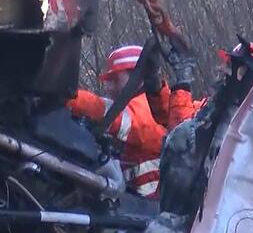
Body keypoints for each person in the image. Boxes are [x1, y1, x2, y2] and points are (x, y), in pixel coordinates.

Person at [68, 44, 192, 198]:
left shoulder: (145, 108)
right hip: (140, 207)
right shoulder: (151, 106)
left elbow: (118, 117)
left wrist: (69, 97)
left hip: (153, 209)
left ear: (138, 77)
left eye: (114, 80)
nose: (108, 87)